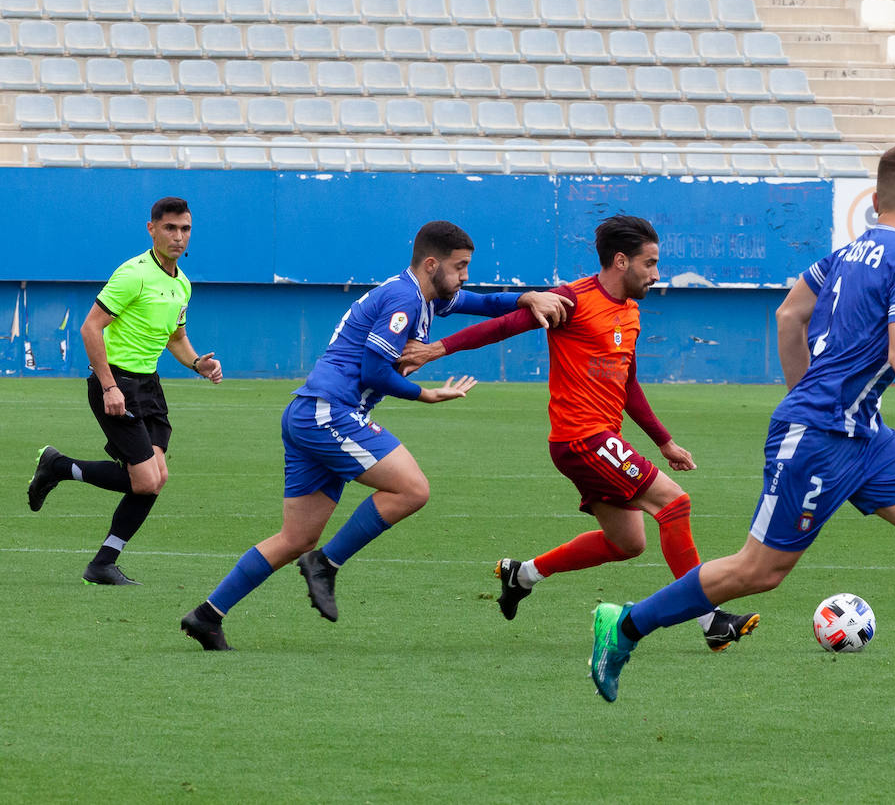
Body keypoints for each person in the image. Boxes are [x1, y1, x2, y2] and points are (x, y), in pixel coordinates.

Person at [582, 147, 895, 730]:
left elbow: (787, 316)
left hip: (864, 432)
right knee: (760, 570)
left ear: (876, 202)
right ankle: (623, 624)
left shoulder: (843, 255)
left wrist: (808, 392)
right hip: (824, 435)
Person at [179, 221, 572, 650]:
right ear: (430, 263)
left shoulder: (421, 295)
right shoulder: (404, 298)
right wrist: (425, 395)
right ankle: (326, 565)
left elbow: (481, 302)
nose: (463, 277)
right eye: (459, 267)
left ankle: (207, 615)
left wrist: (525, 297)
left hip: (311, 412)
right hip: (329, 413)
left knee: (295, 538)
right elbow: (373, 371)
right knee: (412, 489)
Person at [400, 215, 759, 652]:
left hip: (596, 442)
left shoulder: (630, 312)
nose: (657, 273)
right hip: (581, 438)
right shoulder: (571, 299)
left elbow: (627, 382)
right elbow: (505, 325)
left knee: (627, 542)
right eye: (650, 263)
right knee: (674, 504)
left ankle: (523, 574)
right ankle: (709, 619)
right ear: (622, 261)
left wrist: (663, 440)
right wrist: (438, 349)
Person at [26, 197, 223, 586]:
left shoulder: (181, 284)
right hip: (114, 383)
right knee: (146, 480)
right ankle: (59, 467)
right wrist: (109, 386)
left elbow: (176, 338)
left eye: (184, 229)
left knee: (156, 477)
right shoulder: (133, 274)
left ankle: (103, 563)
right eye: (170, 228)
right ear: (152, 229)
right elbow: (90, 328)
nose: (178, 237)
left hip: (148, 387)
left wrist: (199, 362)